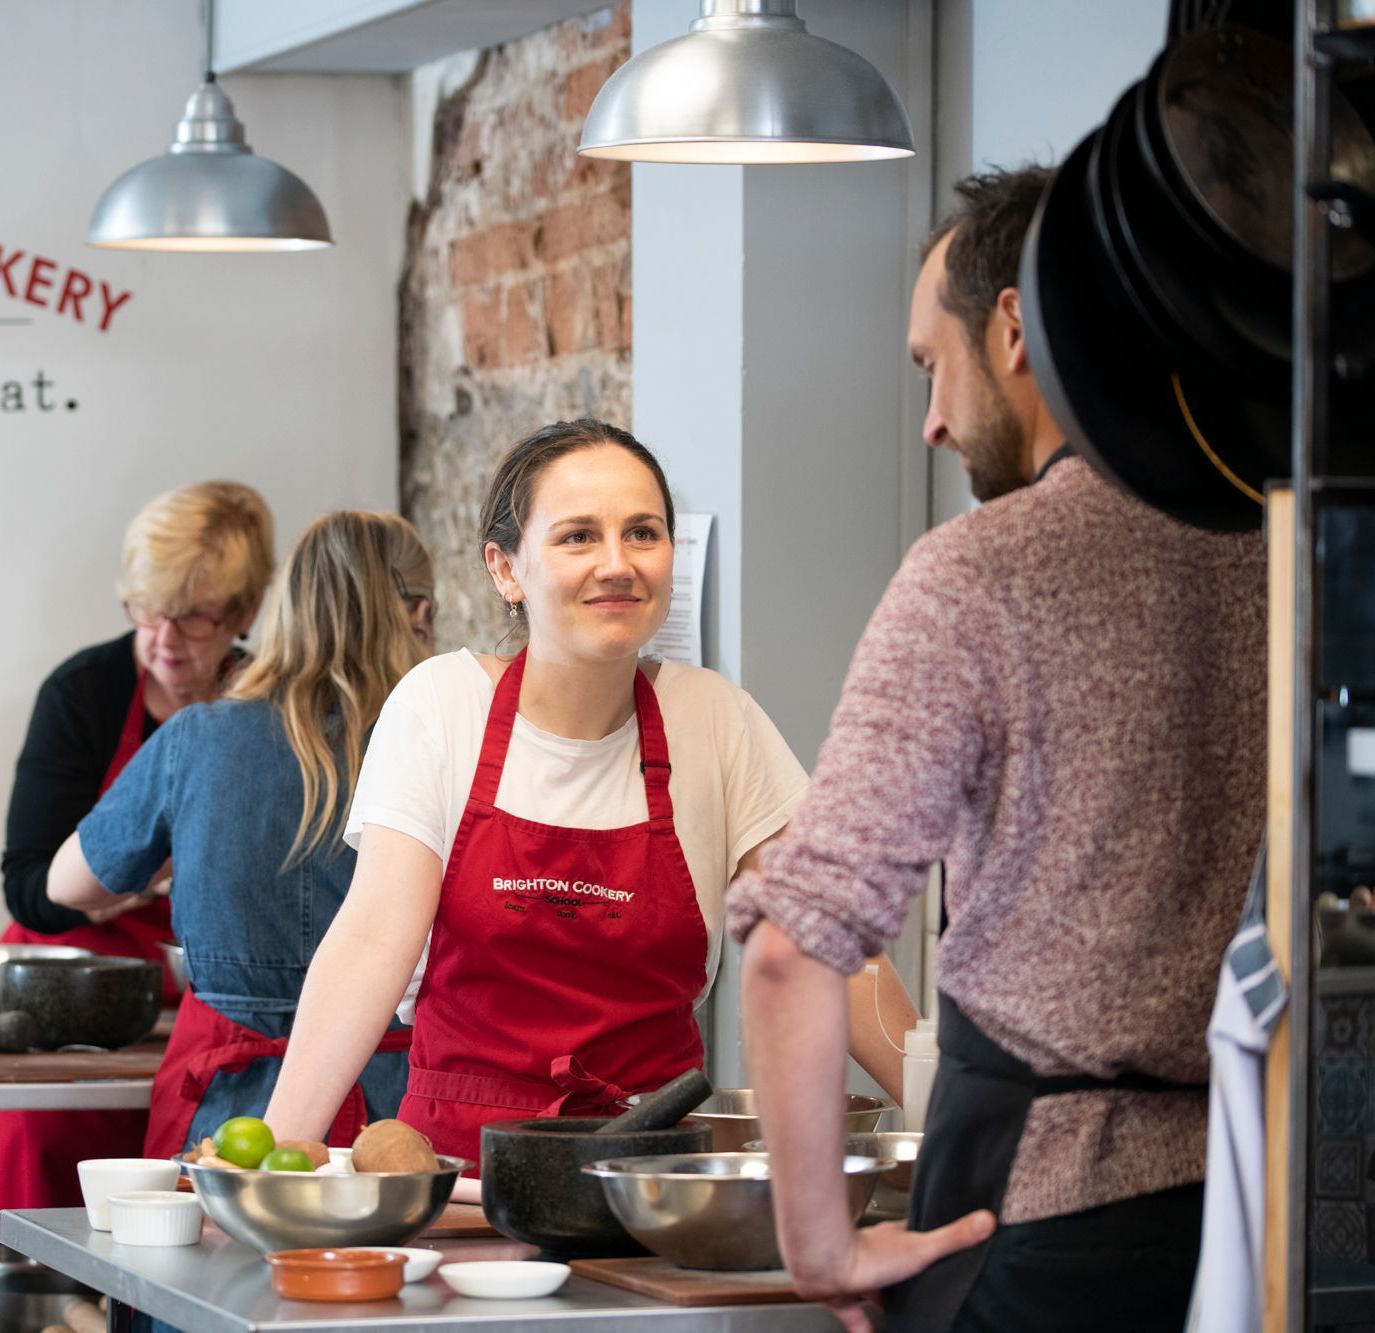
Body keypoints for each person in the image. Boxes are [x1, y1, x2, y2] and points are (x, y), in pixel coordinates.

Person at [730, 167, 1267, 1332]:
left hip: (1033, 1219)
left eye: (931, 363)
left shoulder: (980, 569)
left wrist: (817, 1244)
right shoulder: (1292, 553)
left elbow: (788, 951)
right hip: (1260, 1214)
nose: (927, 419)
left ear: (1014, 328)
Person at [262, 420, 914, 1185]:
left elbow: (835, 946)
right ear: (506, 569)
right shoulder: (442, 706)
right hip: (463, 1183)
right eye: (578, 536)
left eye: (643, 532)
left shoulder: (714, 719)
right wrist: (272, 1154)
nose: (617, 563)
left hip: (655, 1185)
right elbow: (373, 937)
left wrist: (967, 1122)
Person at [46, 511, 437, 1156]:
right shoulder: (448, 745)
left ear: (282, 610)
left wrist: (180, 863)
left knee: (213, 1257)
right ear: (419, 613)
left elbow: (67, 883)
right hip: (400, 1118)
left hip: (227, 1111)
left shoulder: (196, 738)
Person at [0, 480, 274, 1242]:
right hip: (67, 999)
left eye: (194, 617)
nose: (165, 638)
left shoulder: (275, 706)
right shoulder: (83, 693)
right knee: (46, 1226)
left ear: (245, 613)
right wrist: (135, 879)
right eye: (148, 612)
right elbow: (27, 886)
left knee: (182, 1234)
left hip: (209, 1003)